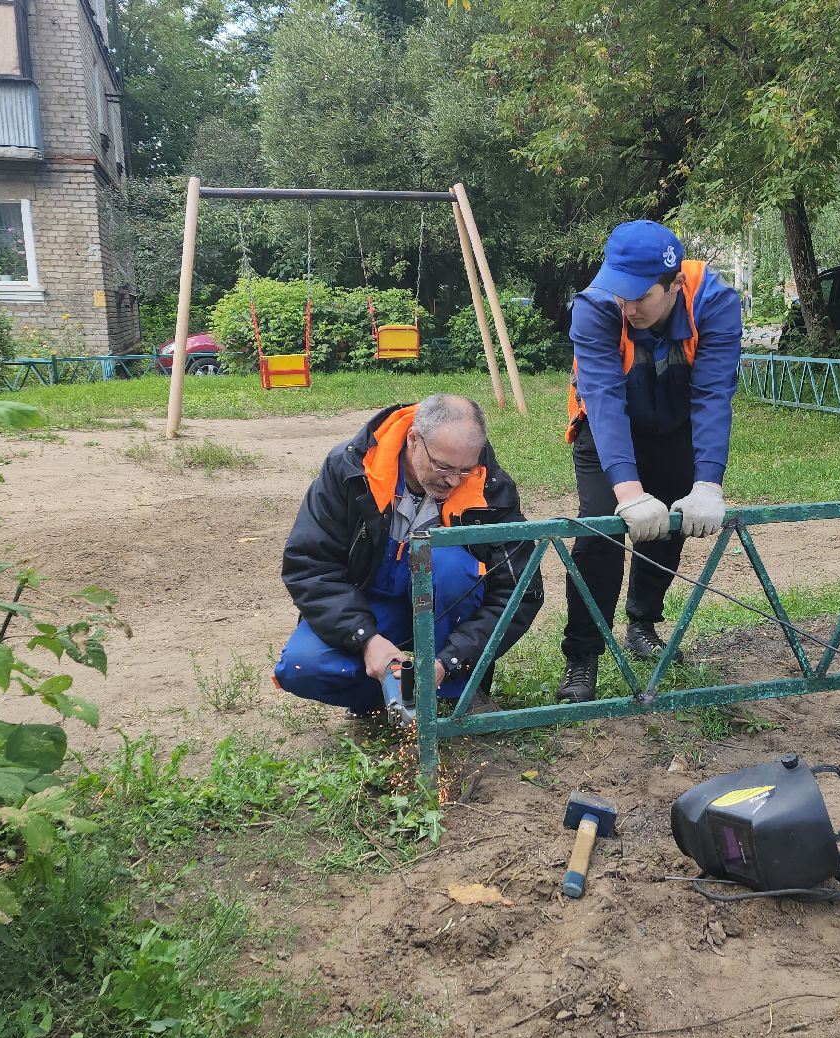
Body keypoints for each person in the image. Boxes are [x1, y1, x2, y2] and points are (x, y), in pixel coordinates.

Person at [557, 219, 744, 703]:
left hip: (675, 424)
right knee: (599, 529)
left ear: (675, 283)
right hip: (605, 430)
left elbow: (712, 395)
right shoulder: (596, 306)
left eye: (640, 296)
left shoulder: (714, 303)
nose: (628, 306)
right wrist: (628, 493)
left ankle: (641, 622)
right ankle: (582, 657)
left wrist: (708, 485)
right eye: (621, 292)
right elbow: (603, 401)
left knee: (668, 524)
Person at [276, 394, 541, 718]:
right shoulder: (349, 469)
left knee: (448, 564)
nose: (453, 480)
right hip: (370, 605)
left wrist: (451, 659)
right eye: (442, 466)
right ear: (414, 440)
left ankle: (459, 688)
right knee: (303, 666)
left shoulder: (490, 486)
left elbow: (520, 591)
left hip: (446, 610)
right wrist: (366, 639)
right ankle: (384, 695)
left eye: (465, 469)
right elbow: (309, 566)